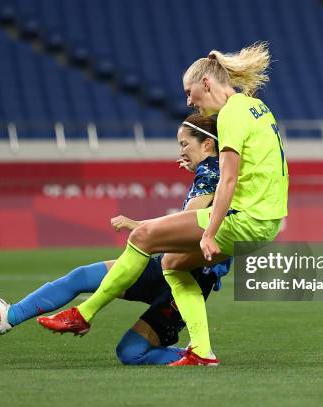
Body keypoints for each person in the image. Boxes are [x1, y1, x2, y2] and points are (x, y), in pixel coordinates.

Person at [37, 42, 289, 366]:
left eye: (189, 91)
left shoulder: (230, 116)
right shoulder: (257, 108)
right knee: (172, 263)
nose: (188, 101)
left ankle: (82, 314)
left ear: (206, 84)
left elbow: (227, 180)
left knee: (141, 237)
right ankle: (201, 351)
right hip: (265, 222)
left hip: (244, 218)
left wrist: (209, 233)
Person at [0, 114, 230, 365]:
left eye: (184, 144)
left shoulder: (210, 172)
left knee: (130, 352)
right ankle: (8, 316)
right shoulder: (215, 171)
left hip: (189, 278)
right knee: (84, 279)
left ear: (207, 144)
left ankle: (6, 317)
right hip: (166, 266)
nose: (181, 151)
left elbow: (186, 224)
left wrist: (139, 226)